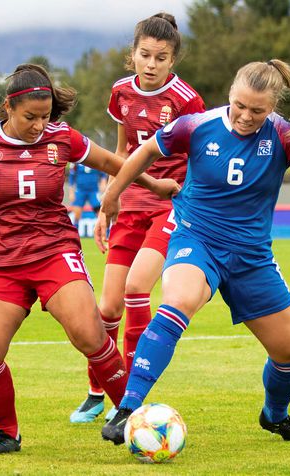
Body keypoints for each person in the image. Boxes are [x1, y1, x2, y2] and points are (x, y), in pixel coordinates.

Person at [97, 59, 290, 444]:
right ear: (229, 95)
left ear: (272, 108)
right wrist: (112, 196)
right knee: (179, 299)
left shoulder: (284, 135)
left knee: (289, 355)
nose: (245, 117)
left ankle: (275, 415)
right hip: (196, 239)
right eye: (239, 105)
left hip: (251, 258)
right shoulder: (197, 124)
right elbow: (145, 152)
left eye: (258, 110)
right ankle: (129, 408)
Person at [0, 64, 180, 455]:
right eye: (30, 117)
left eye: (45, 116)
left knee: (90, 334)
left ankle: (132, 416)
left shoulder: (62, 138)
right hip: (2, 261)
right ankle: (7, 435)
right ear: (10, 109)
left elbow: (114, 163)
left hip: (55, 252)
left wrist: (152, 184)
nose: (38, 125)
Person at [69, 12, 205, 424]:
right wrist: (110, 203)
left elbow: (199, 154)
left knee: (134, 289)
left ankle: (131, 398)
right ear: (132, 55)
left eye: (160, 57)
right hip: (131, 204)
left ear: (172, 60)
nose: (151, 63)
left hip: (171, 205)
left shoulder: (186, 99)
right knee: (106, 309)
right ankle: (98, 392)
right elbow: (123, 151)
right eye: (144, 54)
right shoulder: (120, 93)